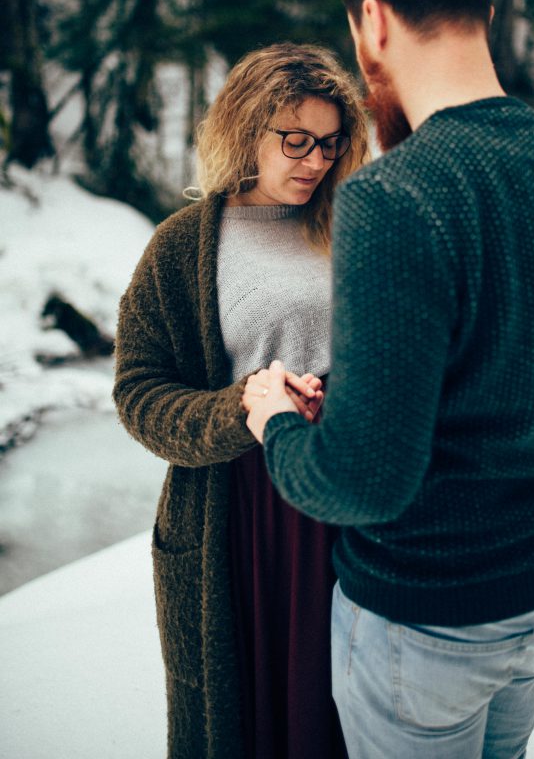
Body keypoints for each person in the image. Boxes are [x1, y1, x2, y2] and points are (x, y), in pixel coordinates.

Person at [242, 0, 534, 759]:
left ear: (371, 22)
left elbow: (360, 486)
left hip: (429, 611)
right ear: (488, 12)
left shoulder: (393, 199)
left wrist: (273, 419)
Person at [113, 42, 369, 759]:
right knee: (248, 716)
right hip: (238, 520)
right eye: (294, 140)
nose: (313, 160)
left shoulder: (356, 229)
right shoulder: (182, 246)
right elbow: (138, 393)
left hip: (350, 503)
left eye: (328, 142)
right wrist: (240, 407)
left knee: (347, 714)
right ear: (244, 129)